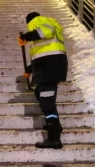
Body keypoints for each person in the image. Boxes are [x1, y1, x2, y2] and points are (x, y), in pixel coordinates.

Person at [17, 12, 68, 149]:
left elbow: (47, 31)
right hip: (50, 66)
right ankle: (55, 125)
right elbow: (45, 55)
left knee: (47, 105)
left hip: (49, 69)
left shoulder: (40, 21)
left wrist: (27, 36)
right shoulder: (48, 26)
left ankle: (54, 139)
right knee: (39, 92)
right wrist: (29, 69)